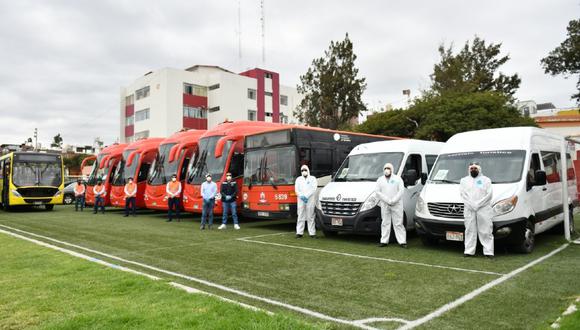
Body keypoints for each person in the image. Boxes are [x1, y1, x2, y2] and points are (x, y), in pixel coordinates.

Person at [460, 162, 494, 258]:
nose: (473, 170)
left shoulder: (486, 180)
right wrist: (472, 205)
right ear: (469, 170)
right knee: (469, 230)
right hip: (469, 209)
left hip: (483, 209)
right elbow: (463, 195)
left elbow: (489, 195)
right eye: (471, 168)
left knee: (486, 230)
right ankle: (469, 251)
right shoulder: (464, 181)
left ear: (479, 169)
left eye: (475, 168)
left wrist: (478, 204)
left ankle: (488, 252)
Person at [375, 163, 406, 248]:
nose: (386, 170)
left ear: (392, 169)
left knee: (398, 223)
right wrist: (387, 200)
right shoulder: (380, 180)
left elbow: (401, 191)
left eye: (388, 168)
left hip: (397, 204)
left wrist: (393, 200)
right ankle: (384, 241)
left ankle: (402, 241)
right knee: (385, 222)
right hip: (385, 204)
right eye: (385, 168)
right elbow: (377, 192)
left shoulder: (398, 179)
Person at [294, 164, 318, 238]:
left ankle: (312, 233)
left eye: (305, 170)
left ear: (308, 170)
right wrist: (301, 196)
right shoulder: (298, 179)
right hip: (301, 200)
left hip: (310, 200)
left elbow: (314, 188)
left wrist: (306, 196)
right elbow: (296, 190)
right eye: (302, 170)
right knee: (300, 216)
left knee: (310, 216)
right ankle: (299, 233)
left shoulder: (312, 178)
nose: (304, 171)